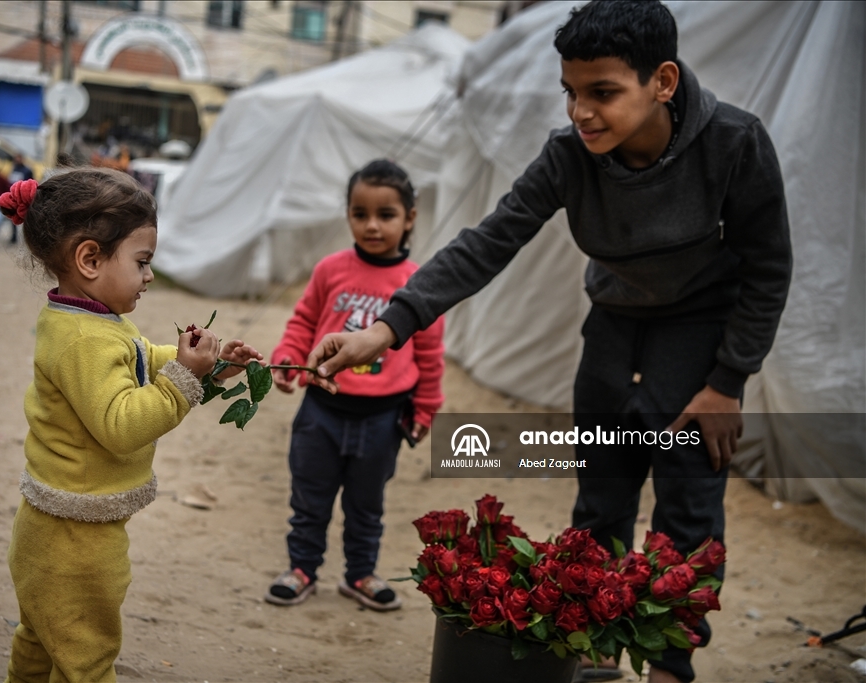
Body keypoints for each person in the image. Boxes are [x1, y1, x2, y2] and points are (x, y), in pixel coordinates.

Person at [305, 3, 791, 682]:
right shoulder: (569, 157)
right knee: (601, 503)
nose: (581, 112)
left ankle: (670, 665)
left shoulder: (736, 145)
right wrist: (388, 327)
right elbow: (489, 241)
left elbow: (768, 268)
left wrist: (728, 380)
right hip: (613, 335)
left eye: (603, 93)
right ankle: (594, 648)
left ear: (664, 81)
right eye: (571, 92)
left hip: (700, 344)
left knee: (688, 507)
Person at [0, 168, 264, 683]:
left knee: (40, 641)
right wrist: (182, 379)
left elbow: (142, 359)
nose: (149, 276)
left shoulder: (90, 320)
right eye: (142, 262)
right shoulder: (85, 339)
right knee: (87, 661)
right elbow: (121, 424)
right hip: (75, 544)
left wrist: (207, 367)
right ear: (90, 259)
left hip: (49, 532)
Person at [264, 159, 445, 612]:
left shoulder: (419, 284)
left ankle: (360, 574)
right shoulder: (330, 269)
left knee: (367, 506)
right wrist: (288, 358)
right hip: (321, 412)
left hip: (383, 419)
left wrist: (425, 409)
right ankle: (302, 569)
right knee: (309, 498)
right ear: (347, 214)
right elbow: (304, 321)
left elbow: (429, 353)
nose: (371, 225)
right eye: (359, 213)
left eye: (386, 215)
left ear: (410, 218)